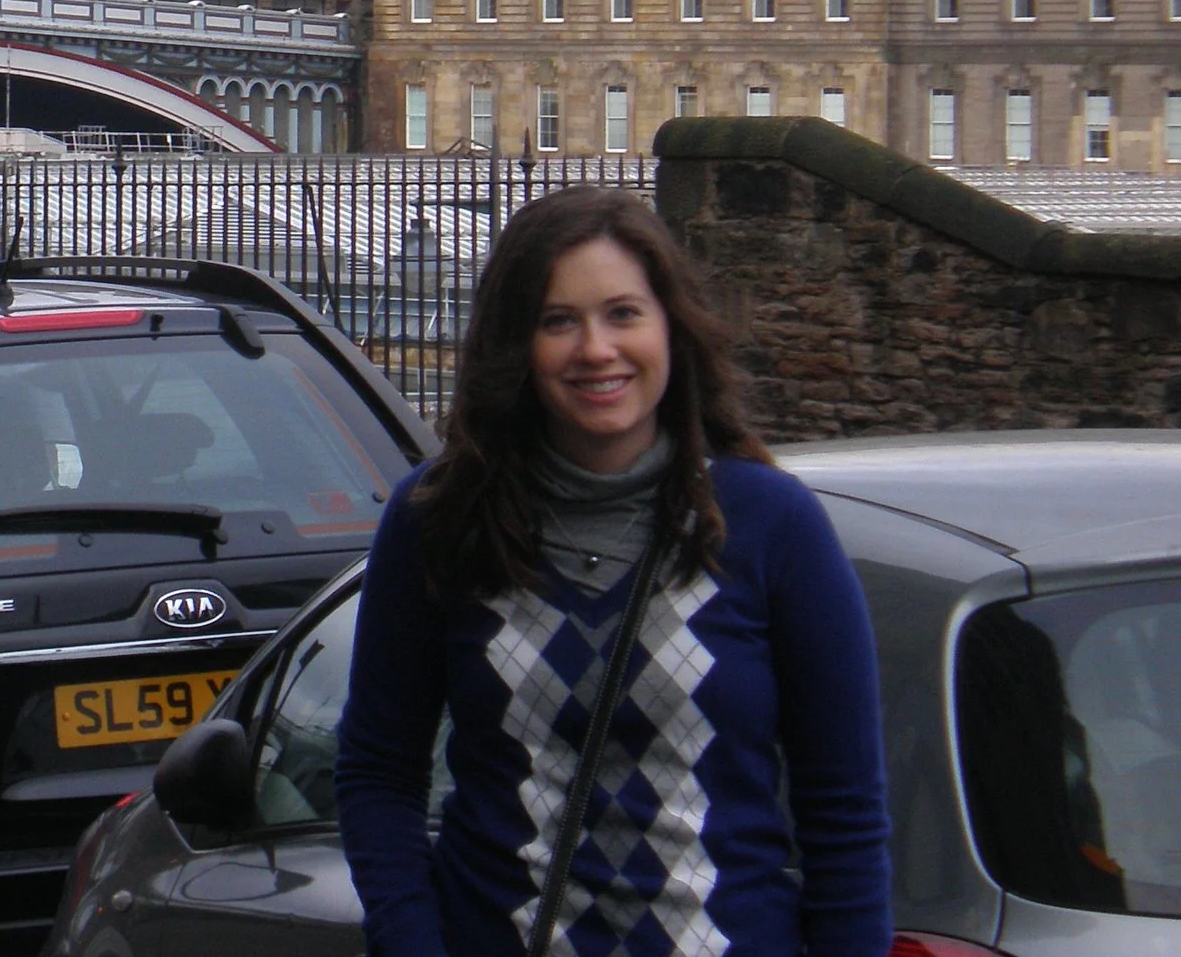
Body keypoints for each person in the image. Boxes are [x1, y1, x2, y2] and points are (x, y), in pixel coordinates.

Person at [335, 186, 890, 956]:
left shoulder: (774, 526)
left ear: (671, 326)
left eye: (623, 312)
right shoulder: (437, 520)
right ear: (515, 344)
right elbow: (378, 773)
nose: (596, 348)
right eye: (558, 320)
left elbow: (846, 819)